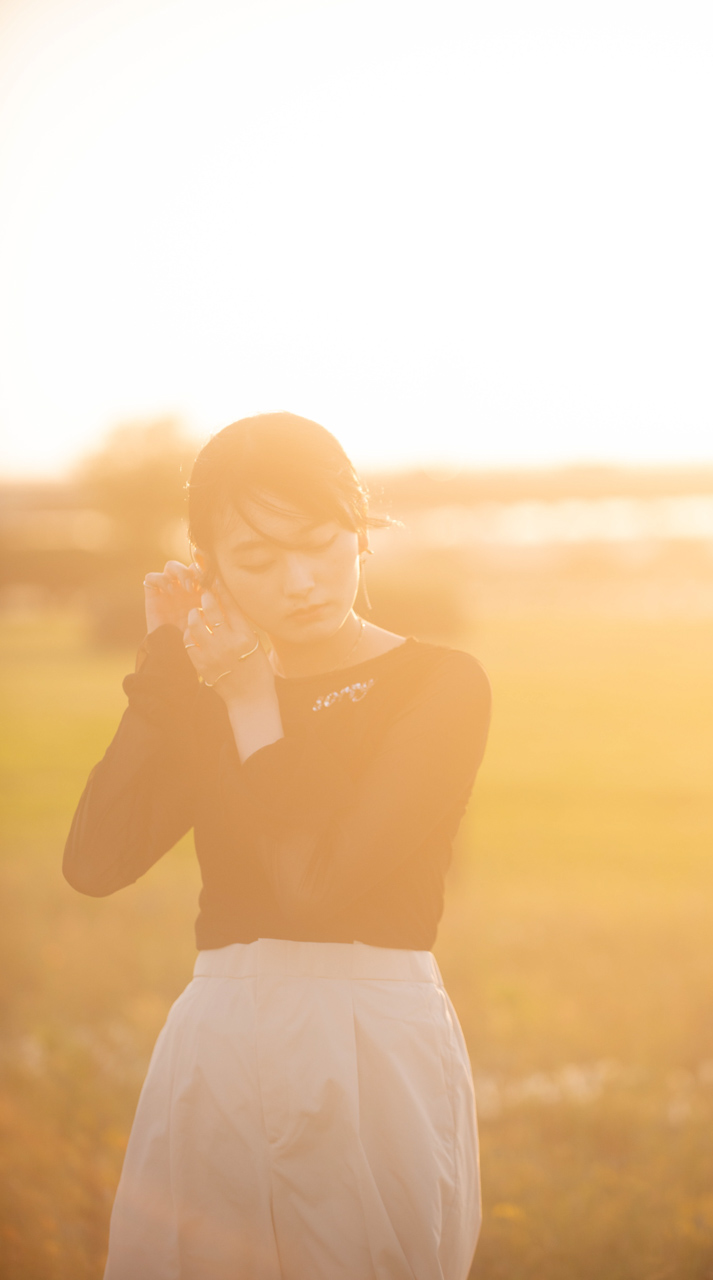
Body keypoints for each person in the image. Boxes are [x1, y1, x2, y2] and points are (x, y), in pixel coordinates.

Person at [63, 412, 492, 1280]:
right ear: (209, 569)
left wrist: (252, 700)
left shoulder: (436, 683)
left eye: (321, 544)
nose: (299, 582)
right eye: (257, 560)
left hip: (369, 1039)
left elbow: (312, 888)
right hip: (220, 1037)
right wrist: (169, 660)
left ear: (359, 531)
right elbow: (95, 861)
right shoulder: (212, 688)